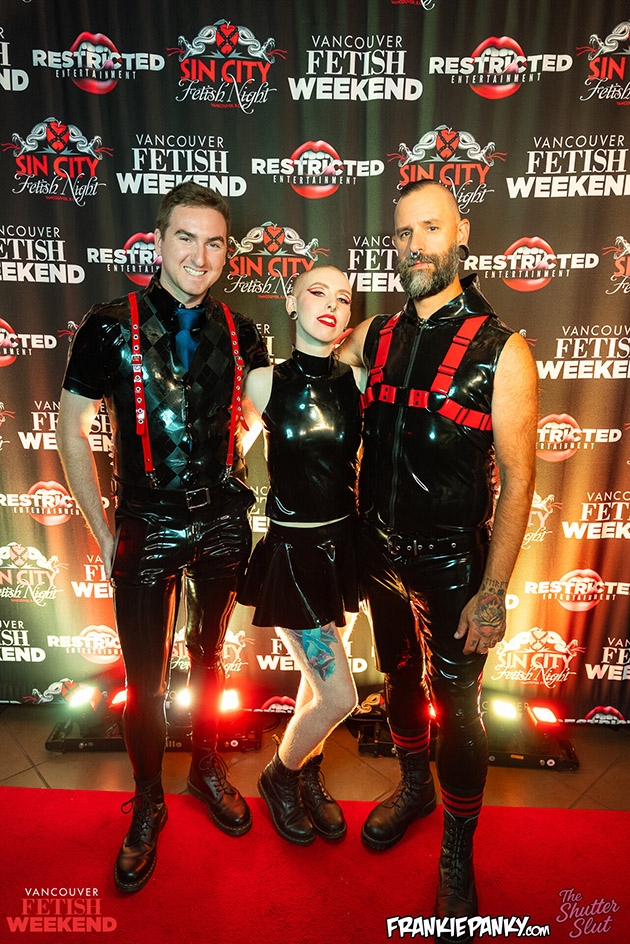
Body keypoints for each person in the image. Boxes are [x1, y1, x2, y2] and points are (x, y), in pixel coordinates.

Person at [56, 182, 269, 892]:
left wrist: (232, 452)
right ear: (157, 241)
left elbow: (256, 412)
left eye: (214, 243)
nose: (199, 256)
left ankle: (206, 766)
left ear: (226, 254)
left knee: (210, 662)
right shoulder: (107, 326)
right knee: (144, 682)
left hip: (222, 523)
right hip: (145, 522)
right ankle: (148, 798)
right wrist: (104, 527)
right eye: (185, 237)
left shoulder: (244, 333)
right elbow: (71, 428)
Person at [339, 180, 537, 935]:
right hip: (378, 549)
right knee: (396, 677)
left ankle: (458, 853)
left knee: (457, 708)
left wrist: (494, 589)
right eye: (402, 233)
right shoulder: (377, 335)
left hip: (454, 563)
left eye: (430, 229)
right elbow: (319, 355)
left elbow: (519, 478)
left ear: (461, 235)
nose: (415, 245)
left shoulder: (503, 350)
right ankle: (414, 787)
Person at [239, 266, 363, 844]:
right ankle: (280, 776)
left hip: (345, 550)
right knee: (339, 695)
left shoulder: (358, 381)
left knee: (317, 685)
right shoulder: (263, 382)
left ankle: (308, 770)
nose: (331, 304)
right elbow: (226, 457)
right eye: (317, 292)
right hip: (292, 555)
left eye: (343, 297)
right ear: (291, 303)